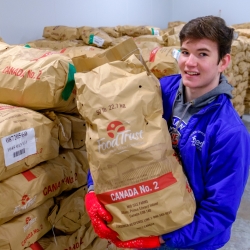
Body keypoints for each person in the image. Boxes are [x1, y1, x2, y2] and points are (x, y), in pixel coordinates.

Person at [85, 15, 250, 250]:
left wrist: (162, 241)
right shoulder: (159, 90)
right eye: (185, 52)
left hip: (191, 240)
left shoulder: (229, 133)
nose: (190, 63)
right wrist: (93, 188)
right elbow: (112, 144)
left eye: (202, 54)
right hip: (145, 217)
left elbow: (219, 212)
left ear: (223, 62)